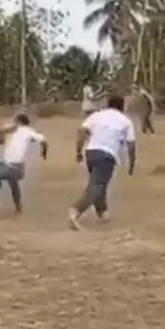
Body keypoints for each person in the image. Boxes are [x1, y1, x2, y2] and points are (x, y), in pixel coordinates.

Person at [68, 94, 136, 230]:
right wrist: (131, 164)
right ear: (122, 106)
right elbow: (131, 145)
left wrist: (78, 151)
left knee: (98, 183)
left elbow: (81, 131)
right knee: (97, 185)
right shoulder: (125, 121)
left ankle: (102, 213)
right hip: (107, 155)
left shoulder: (97, 115)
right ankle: (75, 211)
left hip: (91, 152)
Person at [0, 112, 48, 216]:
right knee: (13, 184)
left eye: (14, 121)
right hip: (17, 167)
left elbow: (0, 131)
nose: (12, 122)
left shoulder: (24, 131)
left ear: (18, 122)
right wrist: (44, 152)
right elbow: (43, 141)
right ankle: (18, 208)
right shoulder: (27, 131)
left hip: (10, 166)